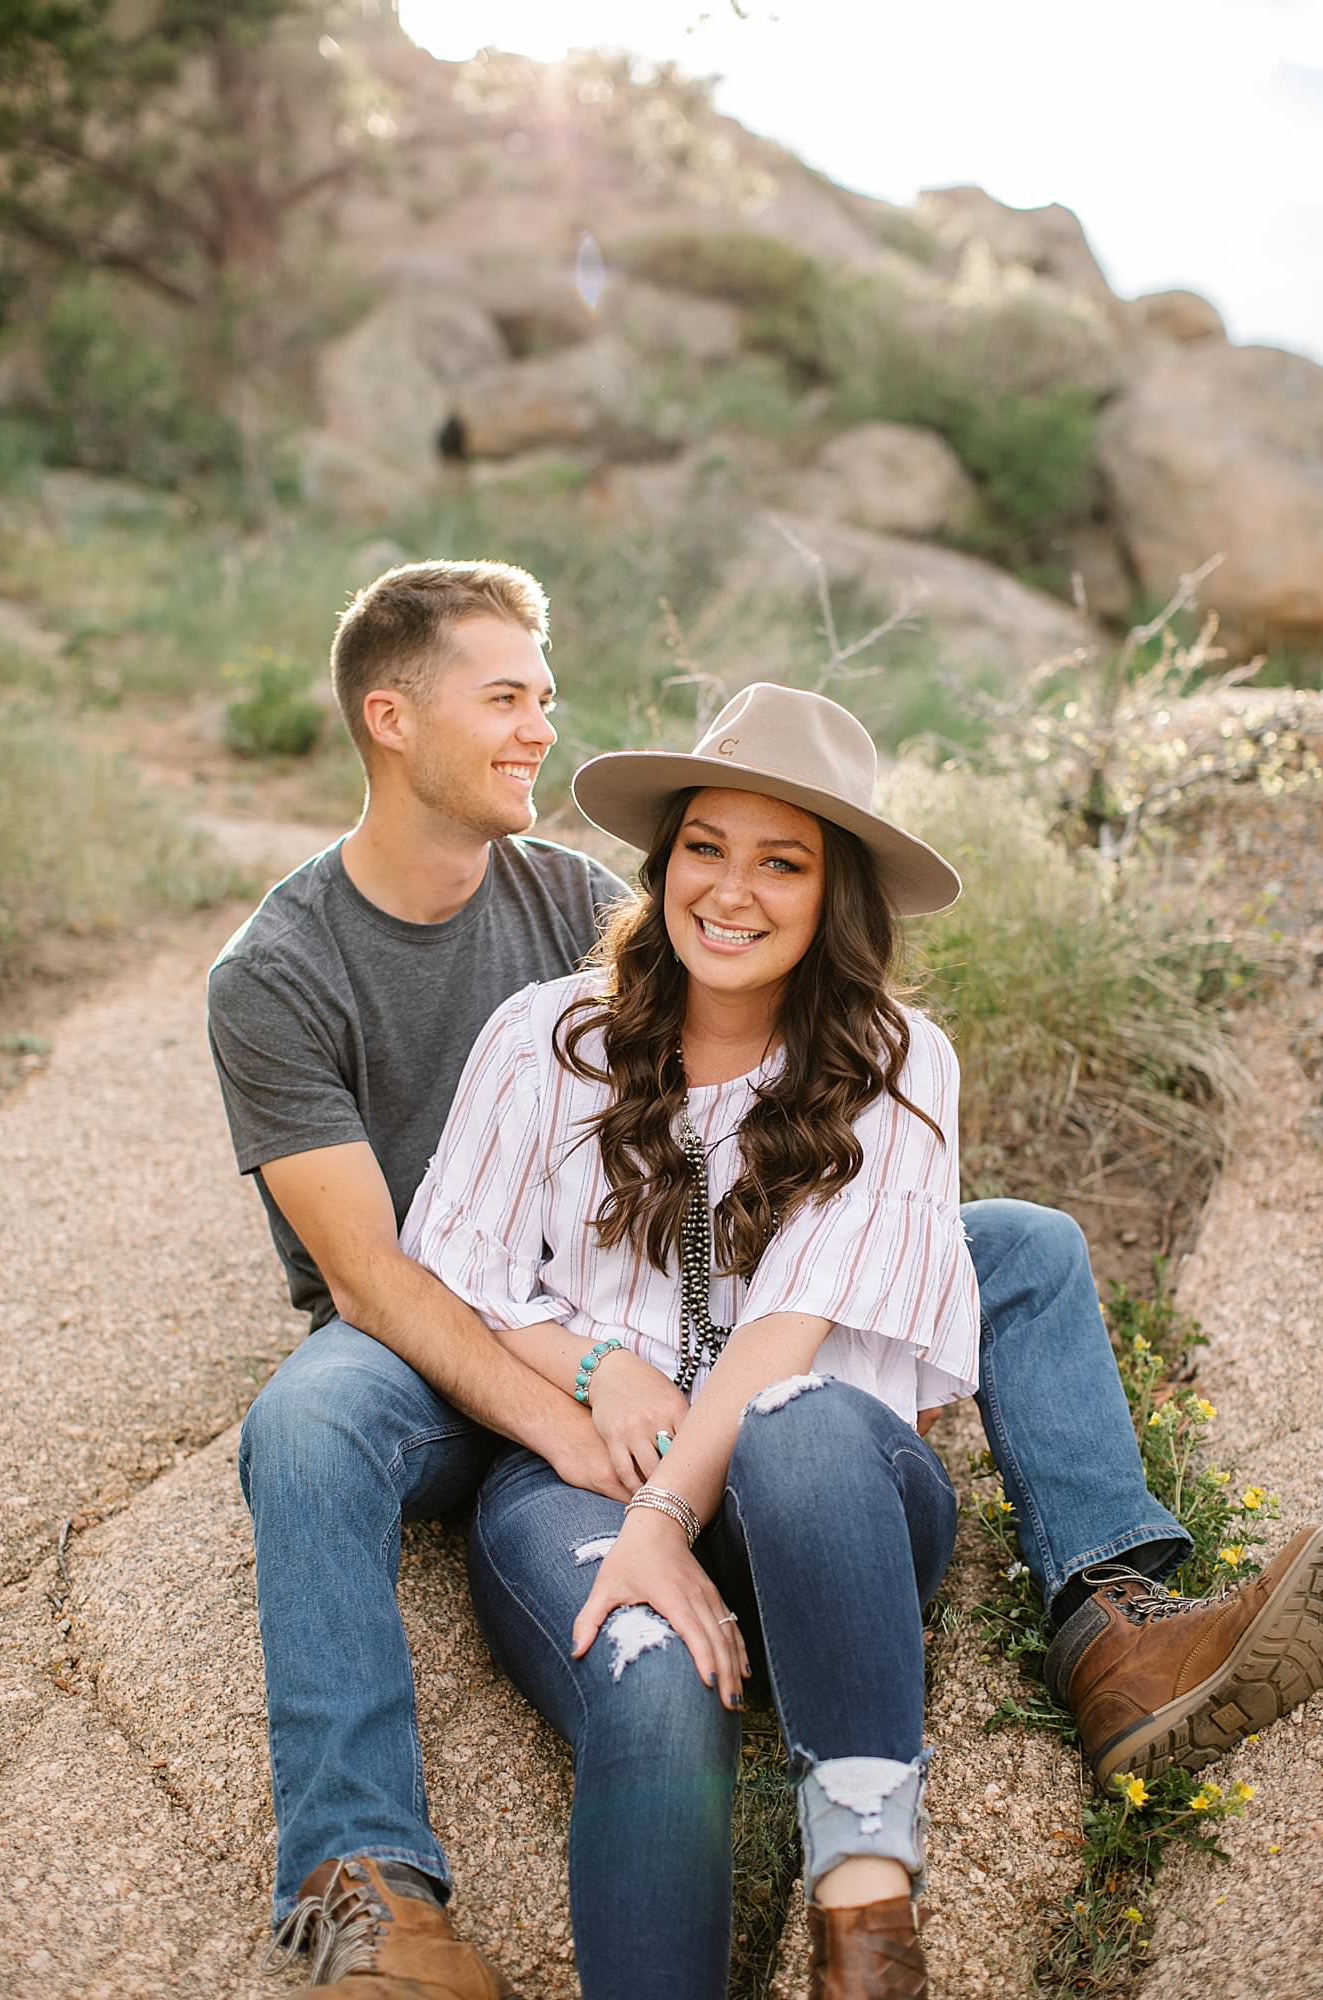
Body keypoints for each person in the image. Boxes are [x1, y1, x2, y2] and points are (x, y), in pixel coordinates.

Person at [207, 562, 1323, 1998]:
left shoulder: (600, 917)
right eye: (503, 699)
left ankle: (1106, 1627)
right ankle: (363, 1884)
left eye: (780, 860)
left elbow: (775, 1252)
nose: (535, 731)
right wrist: (593, 1400)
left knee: (999, 1263)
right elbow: (391, 1276)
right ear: (388, 719)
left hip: (729, 1385)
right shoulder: (332, 981)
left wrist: (678, 1474)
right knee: (343, 1446)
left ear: (829, 892)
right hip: (482, 1346)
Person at [400, 679, 979, 1997]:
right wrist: (602, 1373)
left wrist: (670, 1509)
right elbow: (459, 1271)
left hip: (820, 1519)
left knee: (801, 1418)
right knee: (649, 1668)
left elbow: (787, 1331)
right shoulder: (554, 1040)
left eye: (783, 862)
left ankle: (866, 1928)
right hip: (578, 1479)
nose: (731, 889)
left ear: (835, 898)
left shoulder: (899, 1064)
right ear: (664, 865)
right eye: (705, 848)